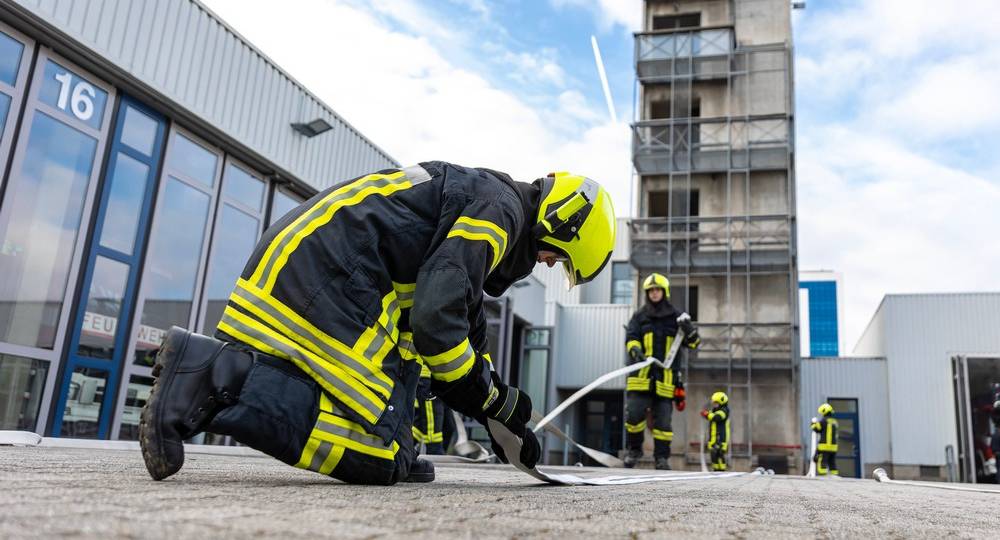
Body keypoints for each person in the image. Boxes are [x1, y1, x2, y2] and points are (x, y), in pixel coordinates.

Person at [139, 162, 616, 485]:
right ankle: (212, 375)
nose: (550, 265)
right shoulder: (500, 212)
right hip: (328, 275)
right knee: (379, 456)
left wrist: (493, 406)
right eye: (559, 256)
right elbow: (436, 318)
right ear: (562, 221)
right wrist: (482, 394)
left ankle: (216, 377)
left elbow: (461, 325)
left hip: (317, 267)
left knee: (398, 450)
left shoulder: (491, 201)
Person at [623, 273, 700, 470]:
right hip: (640, 378)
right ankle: (634, 450)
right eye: (651, 290)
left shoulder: (677, 317)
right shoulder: (639, 316)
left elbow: (694, 344)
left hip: (666, 380)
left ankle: (662, 458)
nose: (654, 293)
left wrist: (689, 329)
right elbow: (631, 336)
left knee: (663, 424)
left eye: (657, 290)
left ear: (664, 292)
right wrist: (634, 348)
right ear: (647, 293)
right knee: (633, 415)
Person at [412, 362, 448, 455]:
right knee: (433, 430)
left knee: (447, 426)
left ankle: (403, 448)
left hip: (441, 378)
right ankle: (435, 453)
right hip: (428, 377)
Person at [701, 391, 730, 471]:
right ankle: (716, 470)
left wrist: (707, 414)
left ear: (722, 402)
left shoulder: (725, 411)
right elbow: (711, 415)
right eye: (714, 403)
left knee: (720, 454)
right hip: (713, 438)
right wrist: (706, 414)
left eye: (716, 402)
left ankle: (722, 471)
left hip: (720, 438)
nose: (715, 404)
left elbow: (716, 417)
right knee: (713, 455)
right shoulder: (714, 410)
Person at [811, 403, 838, 476]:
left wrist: (813, 423)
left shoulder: (823, 421)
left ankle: (823, 479)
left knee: (822, 463)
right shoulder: (834, 422)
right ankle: (835, 477)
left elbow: (816, 429)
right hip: (833, 448)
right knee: (832, 463)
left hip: (824, 447)